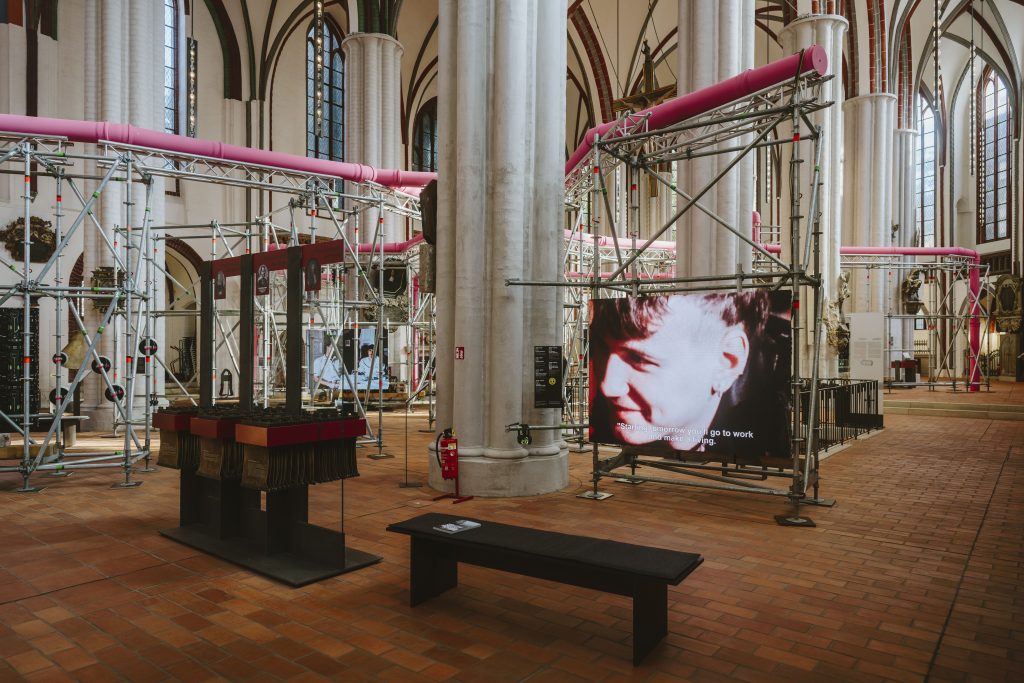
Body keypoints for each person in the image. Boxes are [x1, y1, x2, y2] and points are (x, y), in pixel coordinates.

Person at [588, 290, 790, 460]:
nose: (608, 386)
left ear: (727, 363)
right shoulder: (603, 419)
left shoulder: (769, 430)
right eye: (602, 349)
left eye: (639, 359)